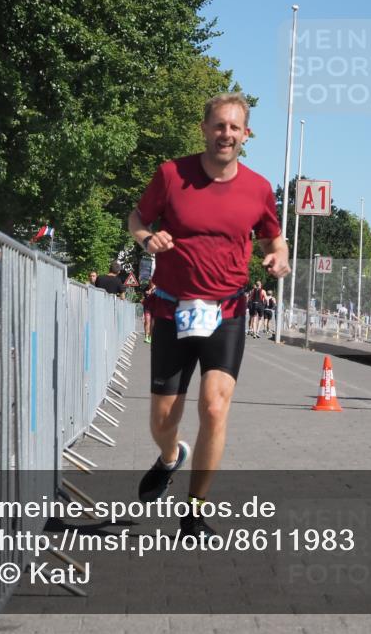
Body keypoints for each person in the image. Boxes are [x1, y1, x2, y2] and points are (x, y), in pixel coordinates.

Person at [128, 92, 290, 539]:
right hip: (172, 309)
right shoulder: (170, 174)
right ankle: (168, 458)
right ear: (204, 128)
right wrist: (147, 240)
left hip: (228, 311)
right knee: (163, 419)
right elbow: (137, 219)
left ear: (246, 134)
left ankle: (194, 511)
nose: (226, 134)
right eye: (219, 125)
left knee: (215, 408)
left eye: (235, 127)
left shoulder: (258, 189)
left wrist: (280, 260)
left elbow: (275, 242)